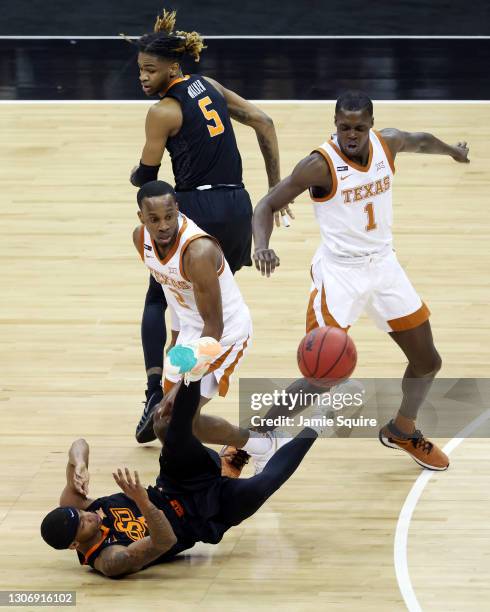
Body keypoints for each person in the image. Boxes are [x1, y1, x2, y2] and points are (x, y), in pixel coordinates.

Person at [252, 90, 470, 471]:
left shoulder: (389, 143)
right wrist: (262, 245)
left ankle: (403, 429)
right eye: (343, 127)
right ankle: (254, 437)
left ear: (371, 125)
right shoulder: (319, 165)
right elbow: (267, 204)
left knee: (427, 361)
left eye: (358, 127)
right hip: (340, 273)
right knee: (322, 373)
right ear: (334, 125)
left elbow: (421, 141)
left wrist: (453, 150)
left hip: (384, 266)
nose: (350, 135)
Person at [128, 9, 291, 440]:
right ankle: (187, 394)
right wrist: (273, 194)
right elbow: (265, 122)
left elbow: (148, 177)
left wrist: (137, 178)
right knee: (207, 299)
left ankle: (160, 393)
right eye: (139, 69)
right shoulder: (212, 86)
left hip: (197, 206)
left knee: (160, 295)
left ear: (172, 67)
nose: (142, 78)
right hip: (238, 205)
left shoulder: (164, 110)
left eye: (150, 70)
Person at [40, 356, 324, 578]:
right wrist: (142, 501)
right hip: (202, 518)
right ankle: (319, 422)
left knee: (168, 429)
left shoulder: (76, 505)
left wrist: (79, 462)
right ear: (75, 546)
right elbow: (164, 541)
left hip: (175, 484)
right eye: (83, 523)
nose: (88, 516)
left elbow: (79, 443)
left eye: (81, 513)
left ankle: (195, 368)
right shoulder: (110, 559)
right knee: (262, 486)